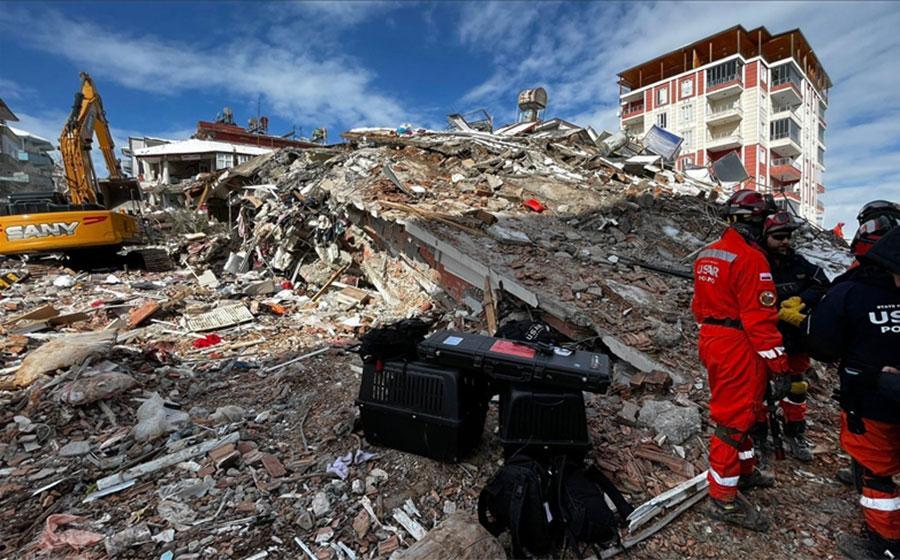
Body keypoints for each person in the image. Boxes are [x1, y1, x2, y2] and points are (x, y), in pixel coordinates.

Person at [784, 227, 900, 558]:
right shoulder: (845, 287)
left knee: (877, 475)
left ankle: (885, 545)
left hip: (870, 403)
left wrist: (805, 323)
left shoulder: (850, 291)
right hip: (875, 396)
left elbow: (822, 345)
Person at [692, 189, 792, 531]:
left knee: (745, 412)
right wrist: (780, 366)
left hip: (713, 337)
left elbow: (698, 306)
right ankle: (722, 498)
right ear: (756, 222)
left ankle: (744, 473)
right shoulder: (751, 259)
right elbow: (760, 321)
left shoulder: (709, 253)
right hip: (738, 344)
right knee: (733, 420)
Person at [750, 211, 829, 464]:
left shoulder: (799, 263)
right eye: (778, 236)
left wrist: (802, 302)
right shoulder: (756, 262)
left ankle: (795, 433)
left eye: (788, 236)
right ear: (765, 236)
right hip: (765, 339)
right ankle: (760, 438)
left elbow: (822, 283)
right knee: (760, 390)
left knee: (797, 388)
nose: (785, 241)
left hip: (795, 339)